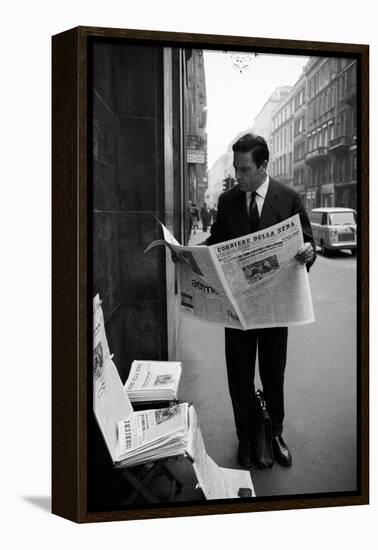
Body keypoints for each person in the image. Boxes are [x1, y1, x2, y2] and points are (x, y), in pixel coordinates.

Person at [205, 133, 316, 469]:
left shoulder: (289, 199)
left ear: (263, 166)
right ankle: (244, 440)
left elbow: (307, 243)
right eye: (236, 169)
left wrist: (308, 253)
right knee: (239, 377)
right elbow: (217, 240)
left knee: (272, 374)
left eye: (244, 169)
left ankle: (274, 433)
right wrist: (192, 255)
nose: (238, 176)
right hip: (237, 310)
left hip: (274, 307)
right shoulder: (227, 201)